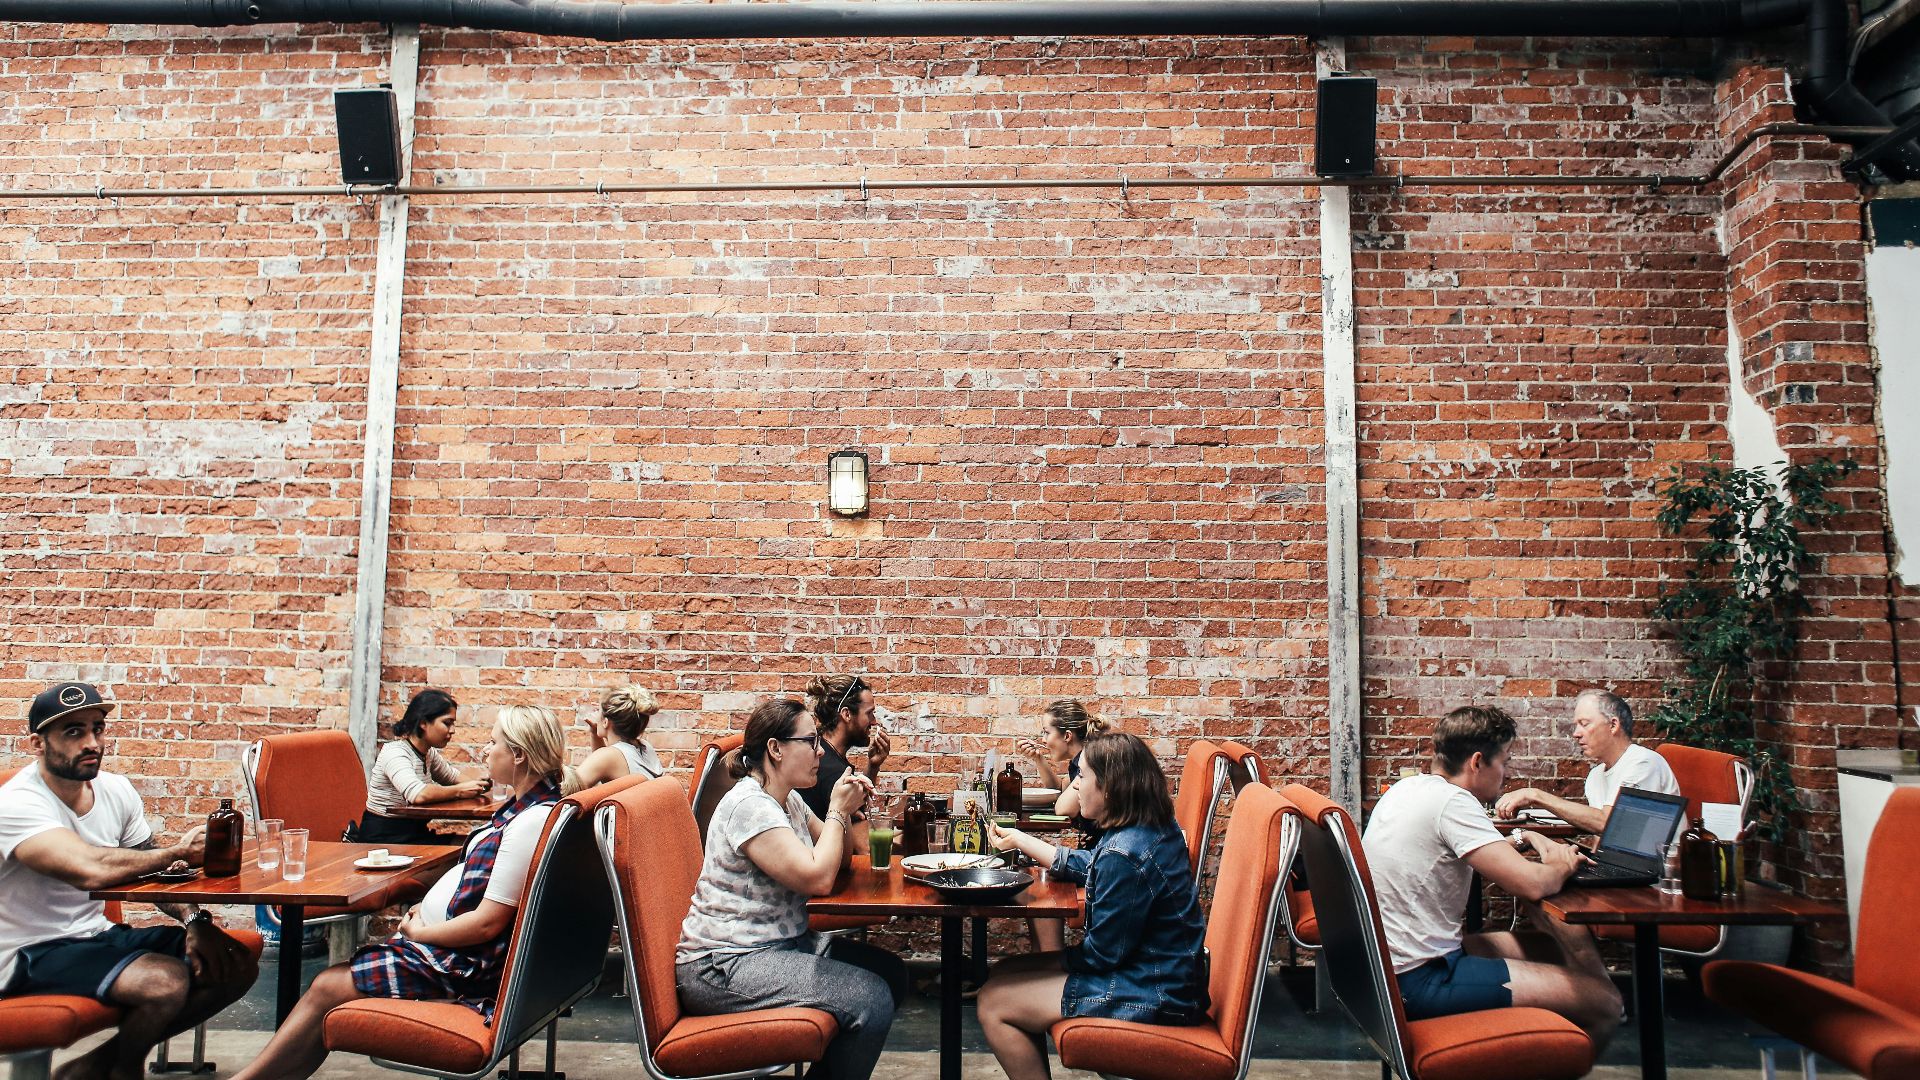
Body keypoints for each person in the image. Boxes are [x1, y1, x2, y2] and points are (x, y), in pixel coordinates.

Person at [230, 705, 582, 1080]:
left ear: (519, 755)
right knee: (327, 985)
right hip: (447, 953)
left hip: (458, 967)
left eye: (492, 742)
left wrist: (420, 931)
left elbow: (485, 925)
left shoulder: (529, 822)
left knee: (327, 985)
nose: (484, 749)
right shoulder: (527, 809)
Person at [0, 681, 258, 1080]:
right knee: (163, 981)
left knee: (233, 962)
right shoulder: (17, 803)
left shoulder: (115, 790)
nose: (92, 742)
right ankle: (124, 1068)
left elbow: (157, 875)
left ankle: (96, 1067)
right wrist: (177, 850)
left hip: (92, 935)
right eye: (73, 732)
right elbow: (90, 868)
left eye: (97, 728)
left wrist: (195, 922)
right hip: (24, 952)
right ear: (38, 744)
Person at [676, 698, 906, 1080]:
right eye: (810, 742)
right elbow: (818, 878)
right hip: (724, 964)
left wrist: (845, 810)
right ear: (776, 749)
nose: (819, 752)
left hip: (778, 946)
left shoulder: (787, 800)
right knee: (871, 999)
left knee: (891, 974)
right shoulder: (750, 807)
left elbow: (842, 858)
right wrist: (836, 809)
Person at [1365, 705, 1621, 1046]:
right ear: (1477, 762)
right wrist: (1565, 863)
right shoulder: (1454, 802)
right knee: (1607, 1003)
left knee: (1551, 949)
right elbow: (1530, 884)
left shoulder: (1410, 789)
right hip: (1421, 979)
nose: (1506, 772)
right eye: (1504, 761)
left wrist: (1525, 836)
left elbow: (1472, 849)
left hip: (1388, 968)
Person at [977, 733, 1209, 1080]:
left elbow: (1102, 957)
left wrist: (1049, 965)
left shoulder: (1124, 852)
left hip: (1154, 993)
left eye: (1082, 778)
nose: (1075, 788)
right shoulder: (1152, 827)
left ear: (1111, 789)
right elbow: (1092, 866)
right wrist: (1022, 839)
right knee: (1005, 972)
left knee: (994, 1002)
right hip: (1170, 980)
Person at [1494, 689, 1681, 834]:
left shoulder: (1644, 763)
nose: (1576, 733)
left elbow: (1608, 824)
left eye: (1584, 724)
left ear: (1613, 725)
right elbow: (1601, 841)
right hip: (1616, 871)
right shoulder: (1595, 776)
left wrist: (1535, 795)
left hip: (1657, 879)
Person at [1013, 699, 1109, 950]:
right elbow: (1059, 790)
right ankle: (1043, 960)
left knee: (1040, 884)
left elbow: (1063, 807)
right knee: (1035, 875)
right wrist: (1039, 760)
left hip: (1101, 862)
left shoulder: (1091, 758)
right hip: (1096, 855)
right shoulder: (1081, 760)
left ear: (1067, 736)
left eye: (1046, 732)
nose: (1044, 740)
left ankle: (1049, 963)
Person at [354, 689, 489, 845]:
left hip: (415, 833)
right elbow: (418, 794)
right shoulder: (395, 753)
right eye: (447, 723)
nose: (452, 730)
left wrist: (478, 785)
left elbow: (452, 777)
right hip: (384, 840)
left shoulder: (428, 754)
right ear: (423, 723)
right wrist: (460, 791)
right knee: (470, 849)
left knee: (475, 845)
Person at [796, 674, 890, 822]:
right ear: (846, 714)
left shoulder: (827, 756)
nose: (874, 722)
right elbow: (858, 841)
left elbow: (856, 810)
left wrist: (873, 765)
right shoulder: (833, 771)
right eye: (869, 713)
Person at [577, 685, 665, 787]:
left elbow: (571, 787)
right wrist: (594, 732)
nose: (596, 715)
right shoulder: (646, 748)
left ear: (605, 722)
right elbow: (605, 764)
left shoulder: (609, 757)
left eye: (598, 711)